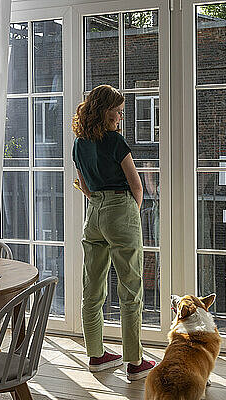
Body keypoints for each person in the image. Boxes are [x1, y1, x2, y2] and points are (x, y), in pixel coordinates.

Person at [71, 84, 155, 381]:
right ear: (104, 111)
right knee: (130, 290)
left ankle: (96, 355)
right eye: (117, 112)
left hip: (93, 212)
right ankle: (134, 362)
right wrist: (131, 211)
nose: (120, 117)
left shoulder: (79, 144)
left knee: (92, 288)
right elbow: (136, 185)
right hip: (120, 209)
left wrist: (99, 204)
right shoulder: (116, 142)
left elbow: (85, 186)